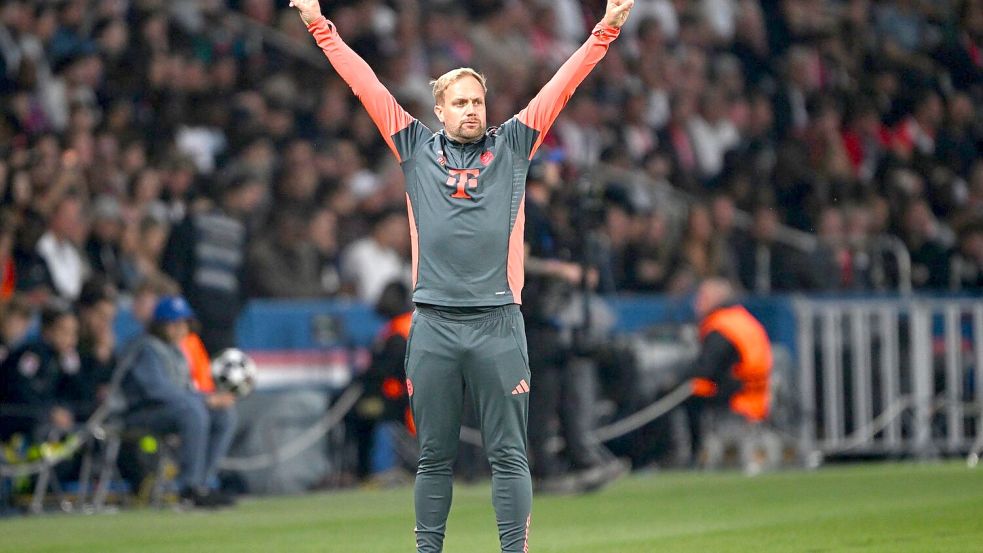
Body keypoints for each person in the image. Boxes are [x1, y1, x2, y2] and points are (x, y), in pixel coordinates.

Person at [289, 1, 635, 550]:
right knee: (434, 456)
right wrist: (318, 25)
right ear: (440, 110)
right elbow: (364, 84)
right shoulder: (413, 146)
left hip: (499, 322)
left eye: (477, 101)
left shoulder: (514, 145)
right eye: (460, 102)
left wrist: (605, 31)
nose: (471, 110)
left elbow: (561, 87)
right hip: (433, 323)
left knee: (510, 454)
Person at [117, 296, 236, 508]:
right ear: (160, 325)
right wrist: (205, 399)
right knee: (193, 412)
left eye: (183, 323)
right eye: (174, 323)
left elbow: (185, 389)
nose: (180, 329)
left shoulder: (176, 350)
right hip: (138, 413)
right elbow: (157, 391)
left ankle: (203, 482)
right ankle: (188, 487)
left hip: (171, 410)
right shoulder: (147, 348)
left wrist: (209, 399)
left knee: (223, 415)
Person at [685, 278, 774, 471]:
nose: (696, 303)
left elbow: (705, 369)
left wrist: (678, 379)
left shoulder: (721, 326)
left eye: (702, 297)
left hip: (736, 396)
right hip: (758, 393)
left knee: (681, 395)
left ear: (717, 299)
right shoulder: (742, 319)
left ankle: (692, 454)